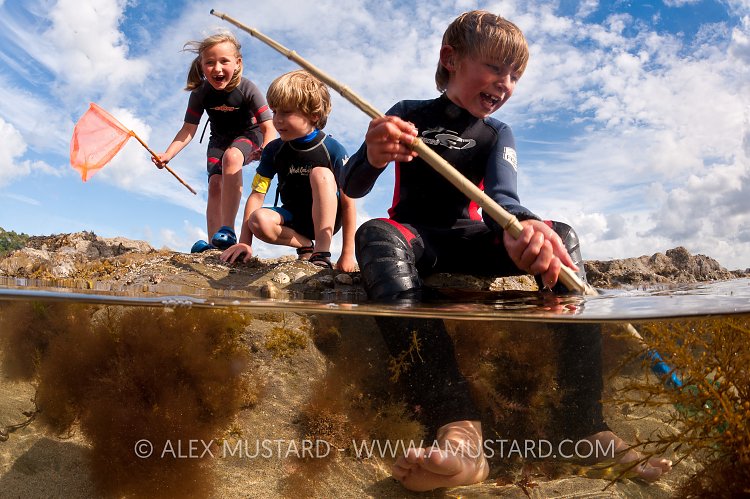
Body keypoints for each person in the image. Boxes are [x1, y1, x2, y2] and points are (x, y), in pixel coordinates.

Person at [338, 10, 672, 491]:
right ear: (450, 59)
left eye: (515, 75)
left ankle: (583, 424)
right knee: (375, 233)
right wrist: (371, 154)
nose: (506, 83)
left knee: (560, 235)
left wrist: (528, 229)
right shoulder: (407, 113)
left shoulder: (498, 134)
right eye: (496, 68)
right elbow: (352, 184)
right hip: (417, 238)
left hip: (474, 239)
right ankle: (457, 427)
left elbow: (504, 199)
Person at [220, 70, 356, 272]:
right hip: (292, 219)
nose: (277, 120)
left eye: (286, 112)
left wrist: (347, 254)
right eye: (274, 112)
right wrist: (244, 242)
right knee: (258, 219)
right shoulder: (274, 150)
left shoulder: (333, 150)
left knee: (321, 174)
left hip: (328, 220)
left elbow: (348, 203)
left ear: (313, 115)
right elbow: (257, 194)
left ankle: (321, 252)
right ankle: (304, 245)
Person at [153, 31, 276, 253]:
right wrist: (168, 154)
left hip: (250, 134)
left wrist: (267, 148)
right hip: (219, 139)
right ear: (201, 66)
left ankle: (228, 230)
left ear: (238, 63)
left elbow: (269, 126)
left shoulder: (247, 88)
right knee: (215, 185)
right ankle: (214, 245)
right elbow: (188, 129)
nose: (217, 68)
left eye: (224, 61)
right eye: (209, 62)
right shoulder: (201, 93)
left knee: (232, 157)